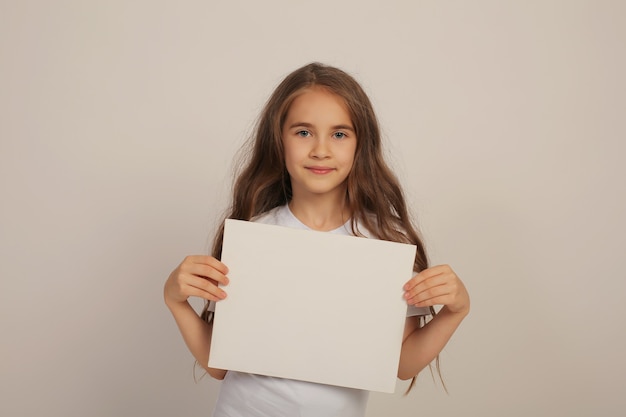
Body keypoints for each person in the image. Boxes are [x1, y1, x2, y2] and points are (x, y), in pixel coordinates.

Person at [164, 62, 470, 417]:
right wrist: (176, 301)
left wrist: (455, 311)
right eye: (303, 132)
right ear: (278, 141)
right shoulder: (253, 236)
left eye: (339, 134)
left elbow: (400, 364)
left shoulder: (387, 244)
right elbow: (220, 365)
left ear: (361, 145)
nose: (320, 149)